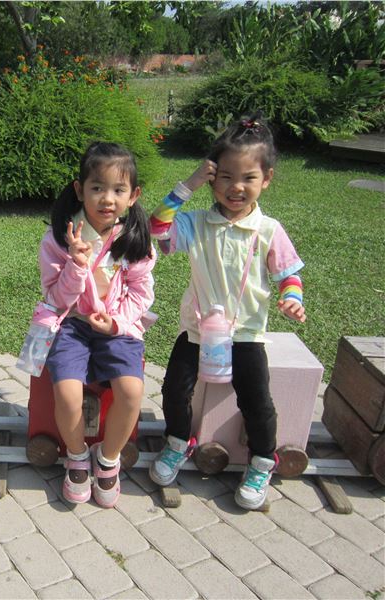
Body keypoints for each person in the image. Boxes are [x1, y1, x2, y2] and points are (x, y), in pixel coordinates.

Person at [148, 114, 306, 510]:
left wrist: (293, 298)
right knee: (174, 389)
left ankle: (262, 461)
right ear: (212, 178)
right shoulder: (197, 224)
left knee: (257, 401)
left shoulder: (268, 230)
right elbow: (156, 228)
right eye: (226, 177)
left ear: (266, 179)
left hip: (246, 333)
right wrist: (188, 185)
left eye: (249, 178)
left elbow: (289, 274)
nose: (237, 187)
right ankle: (178, 442)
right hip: (197, 330)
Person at [40, 142, 156, 507]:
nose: (108, 199)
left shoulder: (134, 241)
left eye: (119, 190)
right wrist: (76, 264)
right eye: (97, 188)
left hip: (117, 326)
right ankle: (76, 456)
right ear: (79, 190)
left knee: (131, 391)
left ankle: (107, 458)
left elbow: (142, 294)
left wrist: (116, 323)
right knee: (67, 392)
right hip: (71, 323)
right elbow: (57, 298)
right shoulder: (59, 239)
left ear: (133, 196)